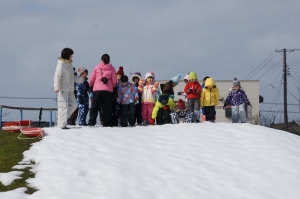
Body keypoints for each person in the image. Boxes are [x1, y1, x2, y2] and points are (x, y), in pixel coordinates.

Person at [53, 48, 83, 129]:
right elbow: (57, 76)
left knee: (74, 105)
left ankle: (62, 121)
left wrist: (81, 79)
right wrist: (56, 87)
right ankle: (61, 125)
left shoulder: (69, 65)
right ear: (67, 56)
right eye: (71, 55)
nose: (72, 57)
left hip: (70, 90)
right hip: (62, 90)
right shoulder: (61, 65)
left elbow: (72, 77)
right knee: (63, 107)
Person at [88, 54, 117, 127]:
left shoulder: (97, 67)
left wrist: (91, 85)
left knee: (94, 106)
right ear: (109, 60)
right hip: (108, 90)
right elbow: (114, 81)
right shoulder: (112, 69)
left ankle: (92, 122)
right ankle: (106, 123)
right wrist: (113, 87)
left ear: (101, 60)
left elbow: (92, 79)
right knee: (107, 107)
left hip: (97, 89)